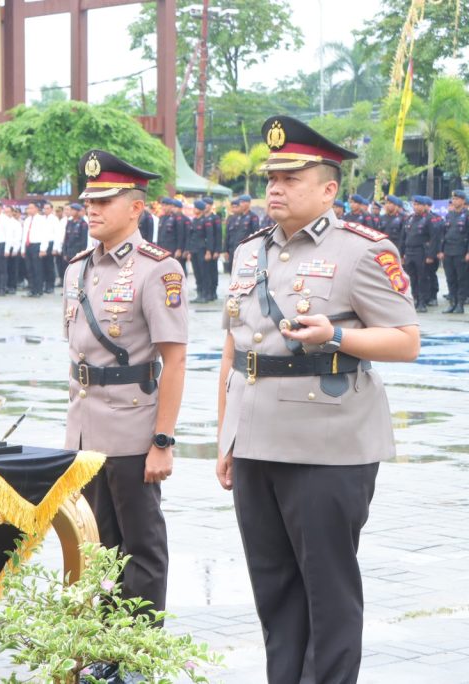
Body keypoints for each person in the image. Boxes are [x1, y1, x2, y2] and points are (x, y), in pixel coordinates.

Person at [217, 116, 419, 683]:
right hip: (256, 441)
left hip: (329, 448)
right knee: (275, 594)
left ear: (329, 188)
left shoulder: (362, 252)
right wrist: (225, 438)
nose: (274, 188)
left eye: (290, 177)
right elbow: (234, 352)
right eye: (270, 177)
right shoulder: (248, 254)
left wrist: (338, 335)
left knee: (327, 595)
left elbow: (406, 341)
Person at [65, 149, 188, 620]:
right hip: (83, 427)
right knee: (98, 547)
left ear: (136, 207)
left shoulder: (158, 269)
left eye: (104, 201)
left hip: (134, 428)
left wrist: (163, 440)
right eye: (88, 201)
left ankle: (136, 653)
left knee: (141, 547)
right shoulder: (78, 266)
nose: (91, 210)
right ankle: (106, 647)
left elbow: (174, 362)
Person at [404, 195, 443, 313]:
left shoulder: (429, 219)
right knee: (413, 278)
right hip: (409, 251)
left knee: (422, 277)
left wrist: (431, 256)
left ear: (423, 206)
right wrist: (402, 253)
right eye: (414, 204)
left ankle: (422, 301)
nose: (415, 207)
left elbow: (434, 238)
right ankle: (415, 299)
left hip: (421, 252)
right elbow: (404, 237)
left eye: (418, 205)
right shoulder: (410, 218)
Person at [438, 189, 468, 313]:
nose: (454, 201)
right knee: (450, 278)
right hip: (448, 251)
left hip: (461, 251)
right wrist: (441, 251)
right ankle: (452, 303)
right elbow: (444, 235)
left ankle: (460, 304)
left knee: (461, 278)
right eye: (453, 199)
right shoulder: (449, 215)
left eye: (457, 199)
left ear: (463, 201)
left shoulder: (467, 215)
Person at [22, 201, 45, 297]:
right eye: (28, 208)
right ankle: (32, 289)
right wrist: (22, 249)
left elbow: (45, 234)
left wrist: (43, 248)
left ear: (36, 208)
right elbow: (24, 235)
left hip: (37, 245)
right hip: (28, 246)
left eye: (31, 208)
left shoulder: (41, 219)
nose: (29, 210)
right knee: (29, 269)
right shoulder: (27, 220)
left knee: (37, 269)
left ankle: (38, 289)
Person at [222, 198, 242, 274]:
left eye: (236, 207)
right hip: (231, 248)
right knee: (231, 269)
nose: (234, 209)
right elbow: (227, 235)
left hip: (240, 248)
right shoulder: (230, 219)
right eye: (233, 207)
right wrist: (225, 250)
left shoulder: (243, 218)